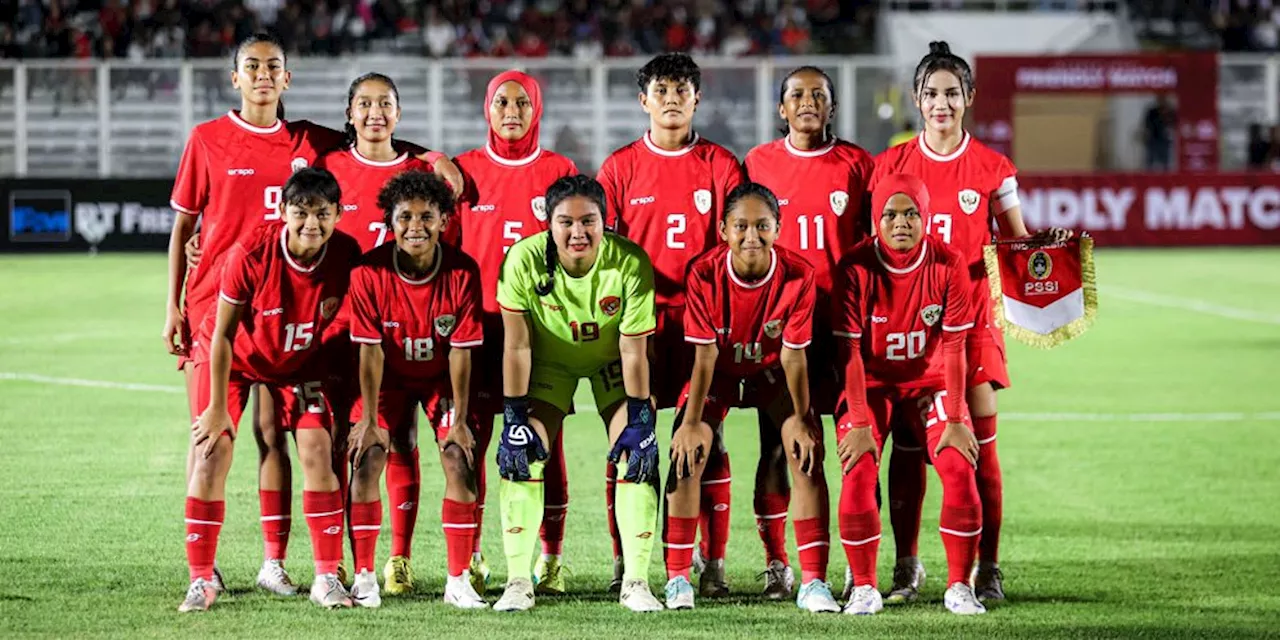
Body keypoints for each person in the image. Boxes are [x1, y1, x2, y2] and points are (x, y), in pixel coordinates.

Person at [165, 32, 462, 596]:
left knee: (285, 437)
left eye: (272, 66)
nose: (262, 75)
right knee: (211, 435)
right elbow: (184, 227)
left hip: (296, 308)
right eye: (251, 66)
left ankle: (280, 562)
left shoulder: (310, 141)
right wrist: (173, 304)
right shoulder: (207, 139)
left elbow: (377, 139)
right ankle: (203, 570)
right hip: (221, 304)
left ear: (287, 78)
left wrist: (433, 157)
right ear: (235, 77)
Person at [871, 41, 1071, 604]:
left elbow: (1014, 243)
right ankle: (908, 565)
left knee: (979, 444)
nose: (941, 104)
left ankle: (988, 567)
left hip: (971, 324)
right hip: (906, 326)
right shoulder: (890, 165)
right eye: (931, 94)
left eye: (951, 94)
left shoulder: (992, 167)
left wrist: (1044, 247)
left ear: (969, 98)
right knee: (908, 446)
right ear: (916, 99)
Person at [179, 168, 362, 612]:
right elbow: (221, 335)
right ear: (283, 212)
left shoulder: (347, 253)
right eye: (300, 213)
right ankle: (202, 580)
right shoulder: (253, 252)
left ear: (339, 214)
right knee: (211, 450)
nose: (311, 224)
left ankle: (325, 578)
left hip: (298, 361)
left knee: (318, 449)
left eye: (322, 213)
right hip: (233, 358)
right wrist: (218, 408)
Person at [597, 52, 743, 595]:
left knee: (705, 439)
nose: (673, 98)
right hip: (637, 328)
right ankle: (624, 563)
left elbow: (739, 245)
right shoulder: (618, 168)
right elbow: (603, 256)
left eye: (683, 89)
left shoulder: (722, 165)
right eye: (662, 89)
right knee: (628, 442)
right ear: (644, 100)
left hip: (703, 324)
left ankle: (712, 565)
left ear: (697, 98)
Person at [491, 175, 663, 613]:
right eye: (565, 222)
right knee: (522, 452)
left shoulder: (630, 262)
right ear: (547, 224)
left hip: (611, 362)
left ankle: (637, 583)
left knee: (638, 454)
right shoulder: (522, 260)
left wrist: (642, 420)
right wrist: (512, 417)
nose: (578, 232)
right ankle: (517, 582)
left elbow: (633, 349)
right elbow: (517, 345)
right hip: (549, 363)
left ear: (608, 223)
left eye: (589, 221)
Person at [662, 183, 836, 613]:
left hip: (773, 372)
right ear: (723, 229)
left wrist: (800, 416)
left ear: (778, 228)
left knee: (802, 451)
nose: (751, 236)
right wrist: (689, 423)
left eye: (762, 226)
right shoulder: (703, 273)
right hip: (718, 372)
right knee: (688, 452)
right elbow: (704, 357)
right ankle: (678, 578)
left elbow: (795, 357)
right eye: (741, 226)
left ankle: (805, 578)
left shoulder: (799, 274)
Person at [742, 65, 873, 600]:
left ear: (832, 106)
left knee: (855, 450)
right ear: (781, 108)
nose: (807, 102)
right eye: (796, 94)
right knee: (778, 447)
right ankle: (778, 563)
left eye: (818, 94)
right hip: (779, 331)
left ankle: (854, 562)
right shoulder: (758, 163)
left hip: (843, 332)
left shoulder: (858, 165)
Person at [832, 172, 985, 616]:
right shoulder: (855, 267)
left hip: (930, 383)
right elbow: (850, 351)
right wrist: (860, 421)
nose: (901, 222)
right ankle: (864, 586)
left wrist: (956, 417)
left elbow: (955, 347)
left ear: (927, 217)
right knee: (858, 466)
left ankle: (960, 586)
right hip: (872, 385)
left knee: (958, 465)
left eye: (912, 213)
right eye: (890, 214)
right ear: (875, 220)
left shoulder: (948, 263)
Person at [453, 69, 579, 596]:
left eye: (522, 101)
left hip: (542, 331)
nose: (512, 110)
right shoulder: (463, 172)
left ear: (537, 109)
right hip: (479, 329)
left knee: (549, 445)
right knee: (475, 442)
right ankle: (477, 555)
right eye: (501, 101)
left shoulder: (559, 170)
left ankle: (549, 559)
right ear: (487, 108)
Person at [315, 71, 438, 597]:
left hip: (399, 333)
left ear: (399, 113)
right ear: (348, 113)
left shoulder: (418, 170)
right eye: (364, 104)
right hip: (336, 334)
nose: (374, 113)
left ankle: (399, 560)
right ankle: (340, 561)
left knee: (399, 439)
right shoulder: (330, 169)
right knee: (340, 443)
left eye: (385, 103)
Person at [345, 171, 487, 609]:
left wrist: (460, 421)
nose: (415, 226)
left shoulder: (462, 271)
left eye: (427, 216)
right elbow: (369, 353)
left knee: (458, 458)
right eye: (405, 216)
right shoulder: (368, 272)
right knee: (368, 457)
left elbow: (462, 353)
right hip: (387, 379)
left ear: (444, 219)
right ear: (390, 220)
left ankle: (458, 581)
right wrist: (368, 421)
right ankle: (365, 577)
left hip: (441, 379)